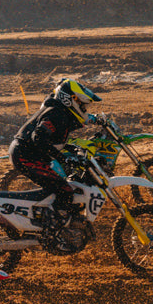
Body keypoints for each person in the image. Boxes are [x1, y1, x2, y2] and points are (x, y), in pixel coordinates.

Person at [8, 78, 102, 231]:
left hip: (27, 154)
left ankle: (50, 219)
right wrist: (62, 158)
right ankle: (51, 230)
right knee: (64, 190)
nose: (85, 108)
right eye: (83, 105)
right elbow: (38, 138)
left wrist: (70, 149)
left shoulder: (61, 112)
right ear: (72, 100)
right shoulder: (56, 114)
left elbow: (50, 140)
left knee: (58, 189)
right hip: (25, 156)